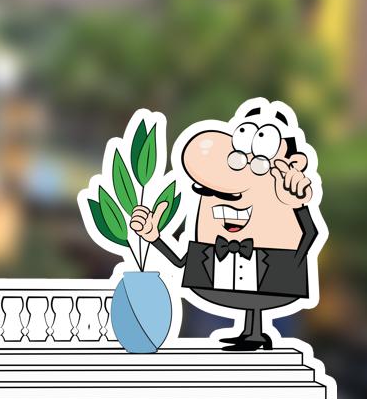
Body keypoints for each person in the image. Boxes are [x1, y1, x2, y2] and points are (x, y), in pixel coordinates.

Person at [130, 98, 323, 352]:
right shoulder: (207, 249)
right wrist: (154, 236)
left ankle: (254, 335)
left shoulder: (284, 203)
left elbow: (311, 232)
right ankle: (249, 335)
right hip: (211, 320)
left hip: (272, 305)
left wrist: (297, 213)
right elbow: (180, 261)